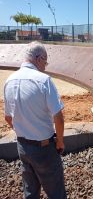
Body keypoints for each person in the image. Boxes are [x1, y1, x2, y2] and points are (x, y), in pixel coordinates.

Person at [4, 41, 67, 199]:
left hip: (22, 147)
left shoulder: (9, 81)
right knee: (56, 192)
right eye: (45, 62)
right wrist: (60, 141)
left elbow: (7, 117)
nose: (45, 66)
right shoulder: (43, 80)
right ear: (39, 58)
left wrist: (22, 130)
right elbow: (58, 117)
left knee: (30, 191)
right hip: (44, 148)